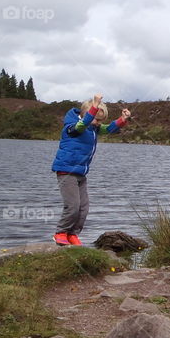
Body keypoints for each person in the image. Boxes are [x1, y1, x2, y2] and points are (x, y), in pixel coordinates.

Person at [51, 94, 132, 245]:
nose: (98, 123)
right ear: (85, 115)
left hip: (81, 173)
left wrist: (123, 119)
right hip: (66, 171)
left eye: (100, 120)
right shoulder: (73, 127)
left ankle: (72, 234)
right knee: (73, 205)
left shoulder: (93, 128)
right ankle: (61, 232)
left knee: (83, 208)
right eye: (96, 119)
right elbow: (82, 125)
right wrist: (94, 106)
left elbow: (109, 129)